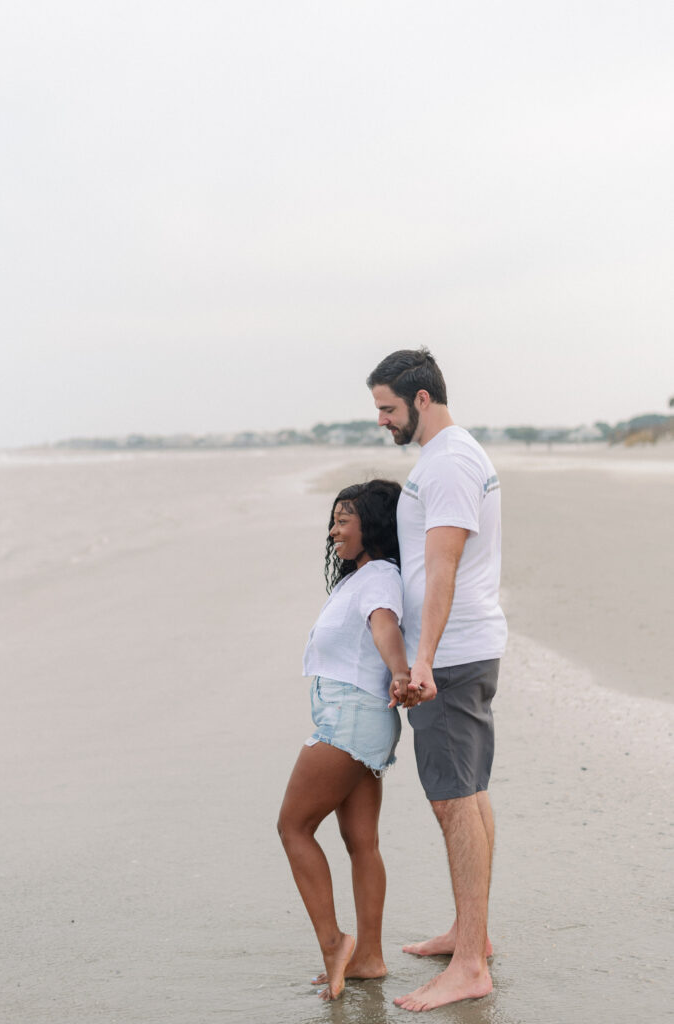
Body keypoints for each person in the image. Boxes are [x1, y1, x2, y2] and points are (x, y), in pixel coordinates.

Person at [367, 347, 508, 1011]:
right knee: (465, 794)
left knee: (455, 799)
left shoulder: (449, 461)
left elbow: (443, 567)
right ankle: (468, 933)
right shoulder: (449, 457)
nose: (383, 421)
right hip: (456, 650)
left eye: (388, 408)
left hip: (448, 656)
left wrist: (420, 659)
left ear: (422, 398)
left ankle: (472, 964)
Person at [277, 478, 415, 1001]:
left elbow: (385, 626)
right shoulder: (362, 578)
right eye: (332, 520)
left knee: (293, 826)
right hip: (361, 716)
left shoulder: (378, 576)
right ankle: (370, 958)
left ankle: (336, 943)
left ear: (373, 527)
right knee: (362, 843)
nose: (333, 530)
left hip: (350, 716)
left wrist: (400, 673)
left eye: (344, 520)